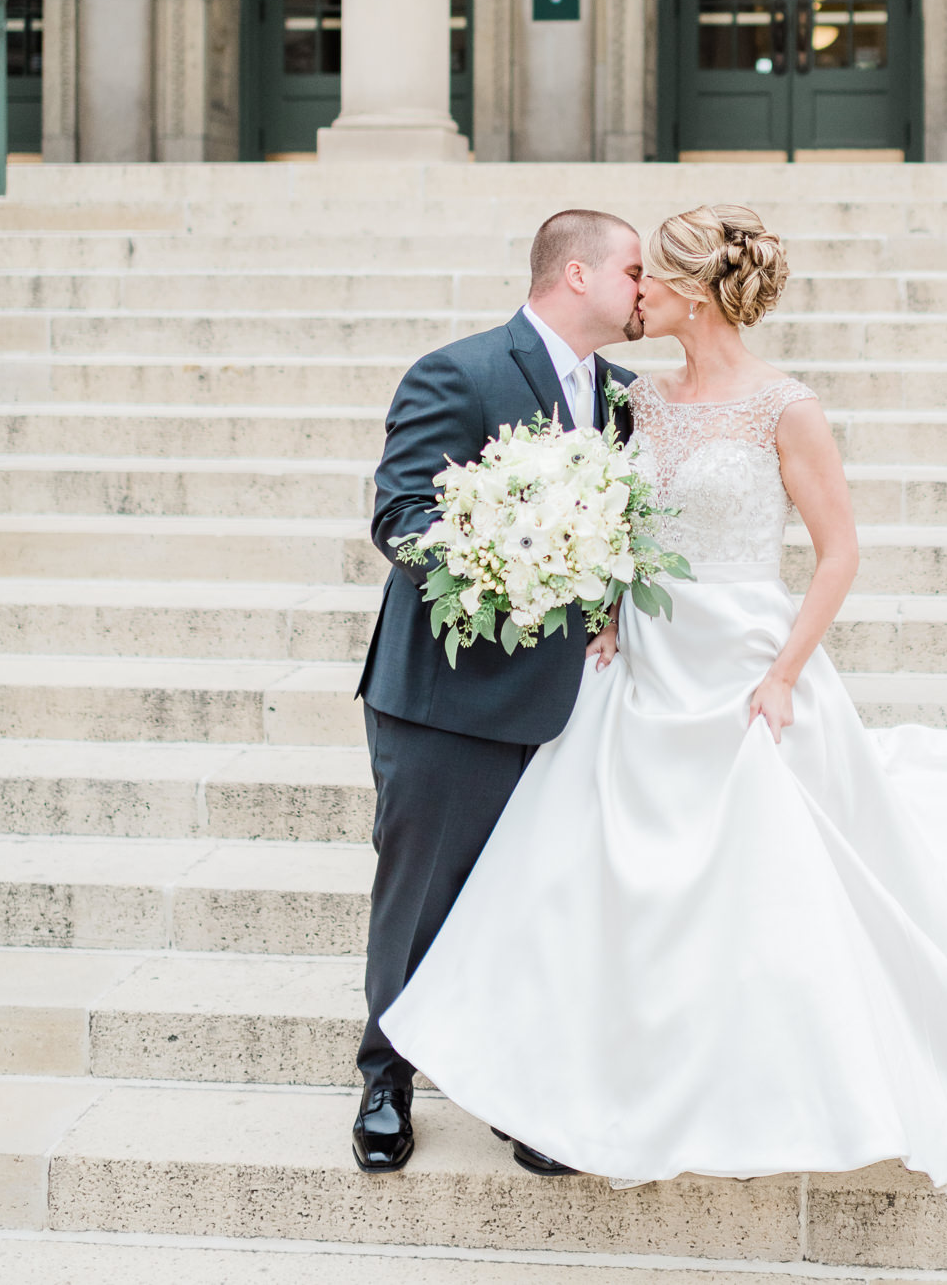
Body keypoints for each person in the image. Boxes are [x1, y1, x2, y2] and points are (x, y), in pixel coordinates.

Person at [381, 204, 947, 1189]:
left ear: (685, 292)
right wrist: (604, 605)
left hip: (745, 660)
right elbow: (608, 517)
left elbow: (840, 552)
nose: (634, 289)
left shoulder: (785, 407)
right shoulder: (636, 401)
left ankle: (768, 1075)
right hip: (644, 659)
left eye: (648, 276)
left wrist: (781, 676)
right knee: (602, 870)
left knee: (762, 868)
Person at [352, 208, 645, 1176]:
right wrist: (505, 563)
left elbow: (621, 534)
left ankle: (519, 1093)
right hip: (447, 692)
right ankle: (386, 1078)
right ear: (575, 274)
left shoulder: (625, 398)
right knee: (421, 891)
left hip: (564, 703)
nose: (645, 292)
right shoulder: (460, 372)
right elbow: (400, 515)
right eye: (633, 273)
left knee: (532, 900)